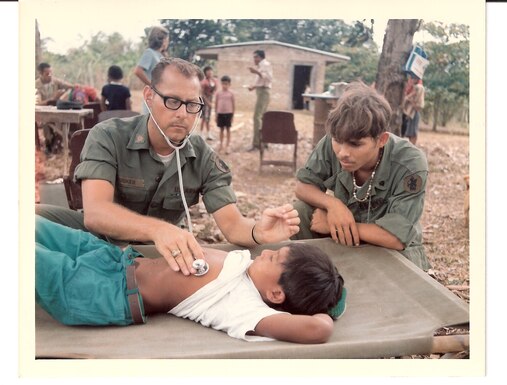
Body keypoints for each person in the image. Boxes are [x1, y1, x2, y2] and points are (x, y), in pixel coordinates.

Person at [36, 57, 300, 276]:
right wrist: (159, 229)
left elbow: (232, 225)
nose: (182, 113)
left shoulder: (203, 157)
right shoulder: (108, 136)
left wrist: (258, 231)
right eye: (172, 101)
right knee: (26, 219)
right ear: (149, 97)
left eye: (192, 105)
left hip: (161, 254)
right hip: (99, 241)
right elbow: (96, 213)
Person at [36, 215, 346, 343]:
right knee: (28, 223)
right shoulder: (247, 265)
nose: (267, 253)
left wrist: (331, 308)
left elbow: (316, 328)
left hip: (102, 292)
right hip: (114, 259)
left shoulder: (245, 308)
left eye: (275, 260)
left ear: (276, 295)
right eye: (276, 251)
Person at [292, 82, 430, 271]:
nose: (342, 153)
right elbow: (302, 186)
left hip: (389, 247)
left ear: (381, 140)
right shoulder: (334, 140)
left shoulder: (410, 162)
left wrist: (336, 226)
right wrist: (334, 205)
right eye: (337, 141)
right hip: (343, 235)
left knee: (394, 284)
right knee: (299, 213)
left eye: (355, 145)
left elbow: (396, 238)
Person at [35, 62, 74, 154]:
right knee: (46, 124)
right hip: (43, 113)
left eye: (51, 72)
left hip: (57, 111)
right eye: (47, 73)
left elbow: (71, 87)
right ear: (40, 74)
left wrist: (64, 96)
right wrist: (53, 98)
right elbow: (38, 103)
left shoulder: (55, 81)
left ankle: (63, 144)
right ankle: (49, 144)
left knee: (67, 122)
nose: (50, 75)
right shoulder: (36, 85)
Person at [134, 26, 169, 113]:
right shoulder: (149, 52)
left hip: (162, 94)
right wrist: (152, 85)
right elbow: (138, 71)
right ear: (163, 40)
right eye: (167, 39)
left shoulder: (161, 55)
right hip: (153, 95)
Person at [247, 50, 273, 152]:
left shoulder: (266, 64)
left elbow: (269, 79)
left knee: (257, 117)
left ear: (261, 57)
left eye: (255, 57)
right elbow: (262, 81)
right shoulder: (262, 66)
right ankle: (263, 142)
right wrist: (253, 87)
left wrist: (256, 72)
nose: (254, 59)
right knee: (262, 117)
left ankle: (257, 144)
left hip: (264, 92)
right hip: (261, 91)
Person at [215, 75, 235, 154]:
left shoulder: (231, 94)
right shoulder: (218, 93)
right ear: (221, 84)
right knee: (221, 129)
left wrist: (233, 115)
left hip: (228, 113)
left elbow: (233, 105)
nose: (224, 85)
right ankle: (221, 144)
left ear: (229, 84)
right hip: (220, 113)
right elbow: (216, 104)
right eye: (223, 84)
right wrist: (216, 114)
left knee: (228, 129)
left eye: (226, 84)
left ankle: (227, 146)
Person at [402, 76, 425, 145]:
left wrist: (408, 98)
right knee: (409, 132)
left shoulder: (418, 87)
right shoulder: (412, 84)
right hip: (409, 112)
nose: (412, 79)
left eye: (414, 78)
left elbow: (418, 104)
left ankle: (412, 147)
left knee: (413, 133)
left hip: (413, 112)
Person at [199, 66, 218, 140]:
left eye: (211, 71)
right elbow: (202, 94)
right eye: (208, 71)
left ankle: (208, 134)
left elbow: (214, 90)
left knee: (208, 118)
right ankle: (201, 133)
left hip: (210, 99)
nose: (210, 72)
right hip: (204, 101)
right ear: (205, 73)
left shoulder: (214, 81)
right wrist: (208, 102)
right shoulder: (204, 82)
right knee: (204, 118)